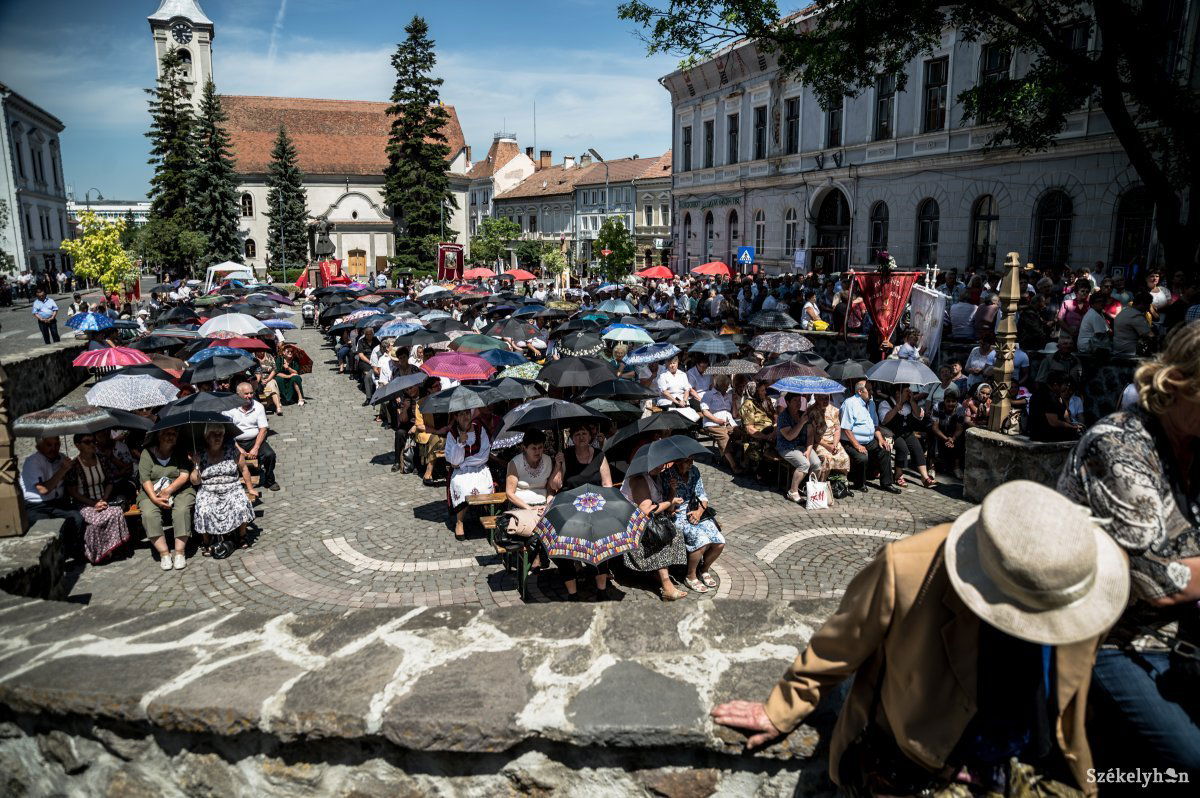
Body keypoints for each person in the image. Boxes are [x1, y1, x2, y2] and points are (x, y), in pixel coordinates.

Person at [711, 480, 1129, 797]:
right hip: (930, 765)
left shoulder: (1082, 572)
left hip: (1038, 761)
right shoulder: (910, 568)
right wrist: (781, 707)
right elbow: (842, 642)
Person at [1058, 321, 1200, 773]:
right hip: (1108, 638)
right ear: (1178, 384)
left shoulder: (1194, 443)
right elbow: (1150, 581)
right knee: (1193, 757)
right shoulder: (1119, 443)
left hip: (1182, 640)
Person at [622, 461, 688, 601]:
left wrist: (672, 490)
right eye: (656, 464)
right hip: (635, 524)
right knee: (659, 539)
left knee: (674, 532)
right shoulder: (639, 479)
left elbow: (666, 506)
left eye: (662, 464)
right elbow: (645, 511)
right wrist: (671, 502)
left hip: (654, 520)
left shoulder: (656, 476)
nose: (661, 467)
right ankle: (666, 586)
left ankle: (657, 573)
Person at [189, 423, 256, 556]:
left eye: (221, 434)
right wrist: (196, 465)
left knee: (240, 505)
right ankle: (207, 541)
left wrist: (250, 488)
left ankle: (242, 535)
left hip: (232, 487)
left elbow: (244, 469)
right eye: (214, 434)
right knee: (203, 509)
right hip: (209, 489)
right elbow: (195, 481)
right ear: (207, 437)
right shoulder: (200, 453)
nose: (218, 437)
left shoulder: (232, 450)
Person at [64, 432, 131, 564]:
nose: (92, 444)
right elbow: (73, 491)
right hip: (84, 503)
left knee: (116, 512)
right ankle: (99, 552)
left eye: (93, 441)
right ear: (78, 445)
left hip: (103, 499)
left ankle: (111, 549)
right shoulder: (74, 465)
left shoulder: (102, 459)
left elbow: (110, 481)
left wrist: (103, 500)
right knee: (96, 522)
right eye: (87, 442)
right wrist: (93, 503)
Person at [136, 427, 196, 571]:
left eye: (174, 434)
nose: (171, 437)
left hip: (179, 489)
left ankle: (180, 553)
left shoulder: (179, 451)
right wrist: (155, 499)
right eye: (167, 434)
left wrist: (168, 491)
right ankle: (164, 554)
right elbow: (145, 479)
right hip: (152, 492)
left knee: (181, 509)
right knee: (149, 513)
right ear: (158, 436)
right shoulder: (147, 453)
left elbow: (184, 475)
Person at [663, 457, 724, 594]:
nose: (691, 463)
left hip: (694, 510)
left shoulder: (694, 471)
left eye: (692, 460)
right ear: (678, 461)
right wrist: (672, 491)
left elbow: (702, 496)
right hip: (677, 515)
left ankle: (704, 569)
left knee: (719, 541)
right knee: (702, 540)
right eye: (687, 461)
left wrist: (699, 512)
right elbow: (669, 509)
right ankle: (690, 576)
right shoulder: (668, 475)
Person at [20, 436, 83, 553]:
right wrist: (63, 470)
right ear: (38, 447)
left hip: (57, 502)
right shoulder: (32, 461)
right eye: (49, 445)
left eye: (56, 444)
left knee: (76, 517)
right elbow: (43, 490)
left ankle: (72, 552)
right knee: (46, 526)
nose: (54, 448)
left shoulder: (61, 458)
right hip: (36, 505)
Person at [839, 380, 899, 494]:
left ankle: (887, 483)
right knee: (862, 457)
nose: (872, 392)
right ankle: (859, 483)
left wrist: (881, 439)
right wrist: (857, 445)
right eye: (869, 390)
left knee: (885, 449)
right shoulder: (850, 403)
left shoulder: (871, 403)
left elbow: (875, 425)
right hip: (851, 441)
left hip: (869, 440)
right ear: (860, 391)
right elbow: (846, 429)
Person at [444, 409, 494, 540]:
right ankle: (459, 522)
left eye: (467, 413)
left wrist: (464, 462)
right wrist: (460, 443)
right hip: (460, 472)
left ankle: (487, 519)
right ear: (456, 417)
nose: (465, 417)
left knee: (483, 487)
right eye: (461, 414)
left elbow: (484, 455)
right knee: (462, 487)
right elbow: (453, 460)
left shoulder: (480, 429)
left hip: (479, 469)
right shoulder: (452, 434)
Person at [223, 382, 278, 492]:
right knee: (230, 458)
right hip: (235, 441)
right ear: (238, 395)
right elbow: (227, 431)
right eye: (246, 394)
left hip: (254, 440)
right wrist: (238, 448)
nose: (249, 396)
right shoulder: (229, 409)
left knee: (270, 455)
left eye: (251, 393)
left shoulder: (258, 407)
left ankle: (270, 479)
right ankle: (236, 482)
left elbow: (263, 429)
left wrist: (256, 448)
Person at [877, 384, 935, 488]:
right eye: (907, 391)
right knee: (903, 448)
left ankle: (924, 477)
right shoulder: (886, 403)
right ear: (898, 393)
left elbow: (920, 415)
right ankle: (898, 475)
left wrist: (912, 401)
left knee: (917, 447)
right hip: (892, 433)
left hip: (906, 432)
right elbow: (884, 420)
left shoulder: (908, 404)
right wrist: (895, 409)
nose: (910, 393)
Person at [776, 392, 821, 503]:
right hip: (786, 447)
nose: (798, 403)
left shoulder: (804, 414)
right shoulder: (783, 417)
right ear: (788, 402)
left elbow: (810, 436)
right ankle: (793, 491)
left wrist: (809, 450)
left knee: (817, 464)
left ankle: (812, 491)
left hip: (802, 446)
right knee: (804, 464)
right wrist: (801, 423)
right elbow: (790, 436)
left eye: (799, 400)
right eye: (795, 401)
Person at [505, 429, 562, 512]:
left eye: (540, 447)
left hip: (543, 504)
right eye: (534, 448)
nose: (537, 451)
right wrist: (529, 508)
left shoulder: (547, 460)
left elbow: (550, 489)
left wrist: (549, 505)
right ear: (525, 448)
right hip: (521, 506)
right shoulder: (515, 463)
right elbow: (510, 493)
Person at [699, 375, 743, 473]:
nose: (727, 388)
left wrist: (734, 401)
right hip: (713, 423)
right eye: (726, 386)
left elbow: (735, 415)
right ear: (719, 385)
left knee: (740, 434)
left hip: (729, 422)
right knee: (724, 437)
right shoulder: (708, 395)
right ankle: (733, 465)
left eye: (728, 385)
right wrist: (716, 420)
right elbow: (705, 411)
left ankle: (733, 458)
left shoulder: (728, 395)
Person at [1028, 372, 1083, 442]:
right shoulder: (1048, 396)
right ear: (1055, 385)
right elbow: (1053, 422)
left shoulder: (1043, 392)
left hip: (1036, 434)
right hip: (1043, 435)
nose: (1066, 387)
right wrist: (1072, 427)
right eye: (1065, 385)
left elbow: (1064, 414)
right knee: (1078, 435)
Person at [929, 389, 966, 476]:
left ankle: (956, 467)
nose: (950, 404)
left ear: (957, 402)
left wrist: (952, 439)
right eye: (948, 401)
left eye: (953, 401)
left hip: (952, 432)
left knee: (961, 437)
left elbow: (959, 428)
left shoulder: (960, 409)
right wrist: (946, 439)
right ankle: (932, 467)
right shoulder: (937, 407)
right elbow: (935, 427)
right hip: (940, 431)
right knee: (931, 434)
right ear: (944, 400)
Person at [656, 355, 701, 421]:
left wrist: (684, 400)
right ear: (667, 364)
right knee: (674, 411)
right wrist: (676, 402)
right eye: (670, 363)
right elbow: (664, 392)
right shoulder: (663, 375)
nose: (672, 365)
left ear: (677, 363)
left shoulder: (683, 374)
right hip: (668, 400)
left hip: (682, 399)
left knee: (698, 407)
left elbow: (687, 389)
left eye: (674, 363)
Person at [1112, 291, 1154, 358]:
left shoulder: (1124, 311)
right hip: (1130, 353)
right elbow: (1150, 335)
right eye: (1148, 304)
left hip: (1117, 349)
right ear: (1142, 303)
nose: (1148, 307)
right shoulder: (1136, 315)